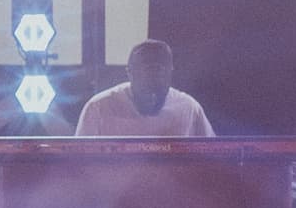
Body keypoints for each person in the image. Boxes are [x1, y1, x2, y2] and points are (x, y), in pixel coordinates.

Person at [73, 38, 214, 139]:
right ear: (129, 73)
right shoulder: (98, 108)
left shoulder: (189, 108)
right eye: (145, 90)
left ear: (171, 73)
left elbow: (214, 158)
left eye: (159, 92)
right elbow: (77, 163)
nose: (152, 98)